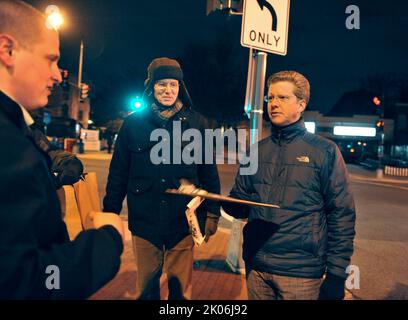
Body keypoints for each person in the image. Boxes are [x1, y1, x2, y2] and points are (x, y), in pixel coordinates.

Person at [0, 0, 124, 299]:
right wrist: (106, 241)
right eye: (50, 59)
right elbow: (29, 282)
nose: (58, 75)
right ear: (8, 50)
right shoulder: (10, 147)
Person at [221, 71, 356, 300]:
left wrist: (336, 274)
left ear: (301, 104)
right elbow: (240, 200)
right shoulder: (256, 151)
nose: (274, 104)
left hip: (301, 273)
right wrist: (229, 205)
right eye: (271, 98)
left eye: (282, 98)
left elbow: (341, 215)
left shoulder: (324, 151)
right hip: (257, 266)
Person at [103, 57, 221, 300]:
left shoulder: (198, 124)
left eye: (173, 84)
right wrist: (110, 213)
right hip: (144, 220)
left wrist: (213, 212)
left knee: (180, 291)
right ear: (151, 87)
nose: (168, 90)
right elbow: (118, 173)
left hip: (183, 222)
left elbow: (208, 171)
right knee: (146, 289)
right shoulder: (133, 123)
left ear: (181, 88)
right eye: (162, 84)